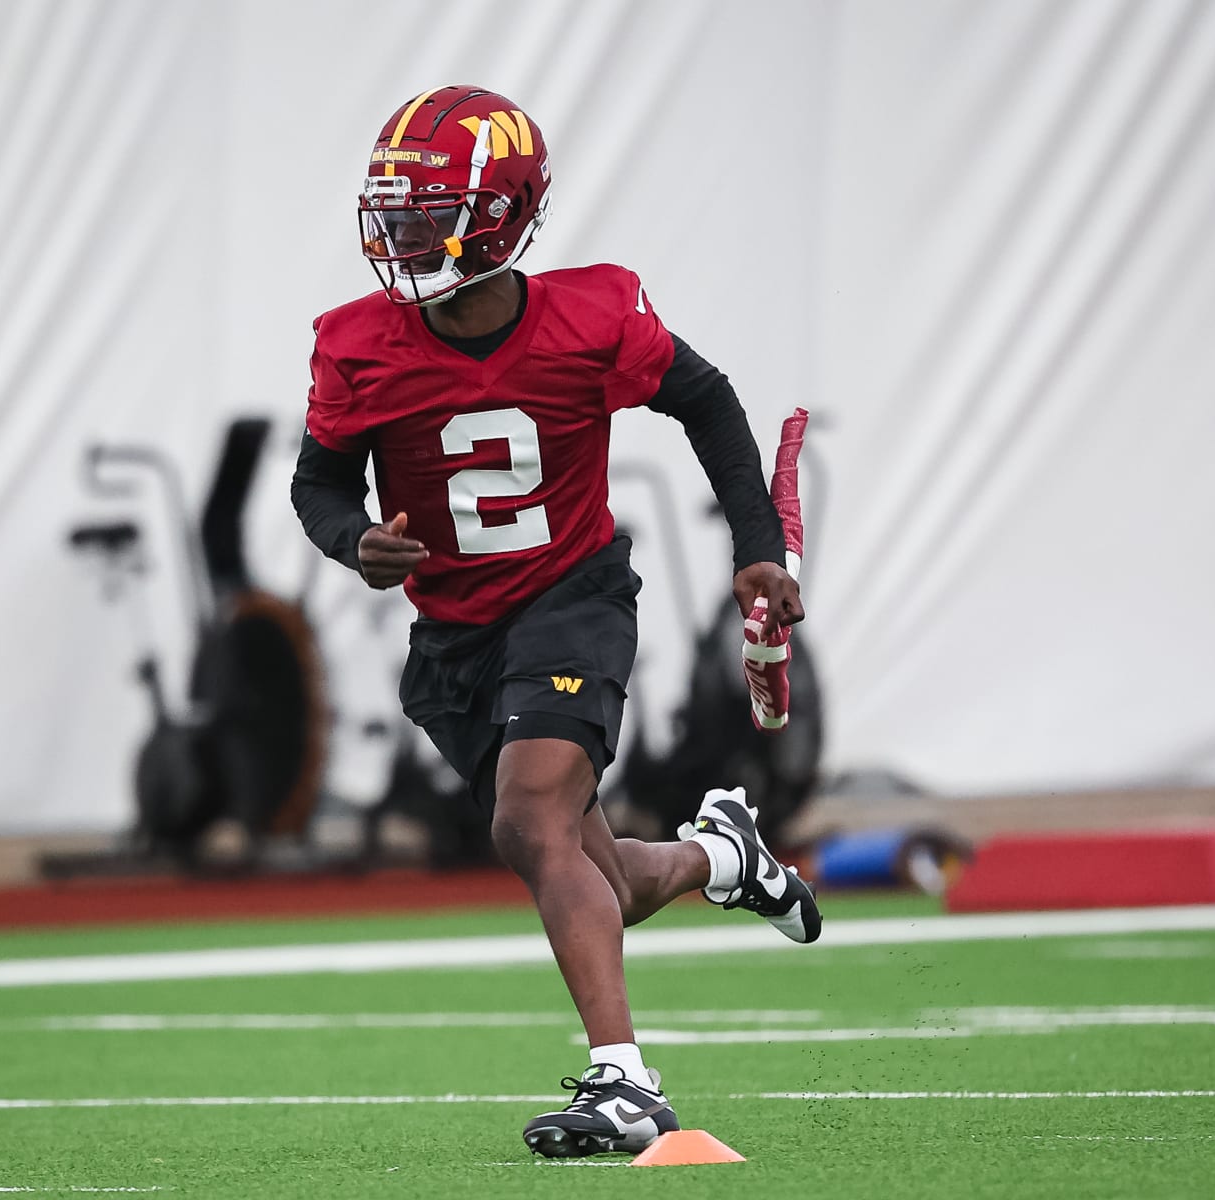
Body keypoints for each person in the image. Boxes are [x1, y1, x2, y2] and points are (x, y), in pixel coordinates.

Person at [290, 84, 820, 1159]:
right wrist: (356, 543)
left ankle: (626, 1085)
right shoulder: (359, 345)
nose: (399, 235)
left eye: (425, 211)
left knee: (528, 821)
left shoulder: (590, 317)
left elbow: (708, 403)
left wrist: (755, 545)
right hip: (455, 640)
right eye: (392, 212)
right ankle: (723, 858)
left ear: (498, 216)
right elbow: (317, 489)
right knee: (593, 875)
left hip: (571, 599)